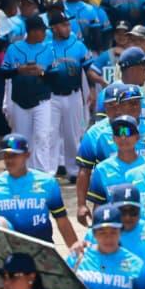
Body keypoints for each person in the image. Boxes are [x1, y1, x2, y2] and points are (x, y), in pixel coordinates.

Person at [0, 134, 77, 247]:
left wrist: (77, 254)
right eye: (6, 155)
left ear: (27, 155)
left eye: (14, 155)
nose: (9, 160)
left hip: (41, 251)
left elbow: (61, 219)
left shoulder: (47, 183)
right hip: (6, 252)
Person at [0, 15, 57, 173]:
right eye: (42, 30)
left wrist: (42, 72)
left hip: (42, 100)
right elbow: (3, 72)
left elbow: (55, 75)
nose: (45, 34)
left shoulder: (48, 49)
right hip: (20, 101)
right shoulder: (14, 48)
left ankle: (42, 173)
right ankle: (23, 172)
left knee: (42, 137)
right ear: (33, 32)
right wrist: (19, 70)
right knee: (21, 140)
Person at [46, 11, 92, 181]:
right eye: (64, 24)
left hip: (73, 95)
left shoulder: (78, 45)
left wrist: (93, 90)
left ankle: (73, 171)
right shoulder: (46, 46)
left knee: (73, 134)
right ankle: (49, 172)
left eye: (68, 23)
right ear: (54, 28)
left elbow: (88, 69)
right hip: (51, 96)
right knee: (50, 134)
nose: (68, 27)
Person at [86, 116, 145, 209]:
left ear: (137, 137)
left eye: (128, 132)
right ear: (113, 138)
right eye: (118, 132)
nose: (123, 137)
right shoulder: (102, 169)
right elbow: (98, 207)